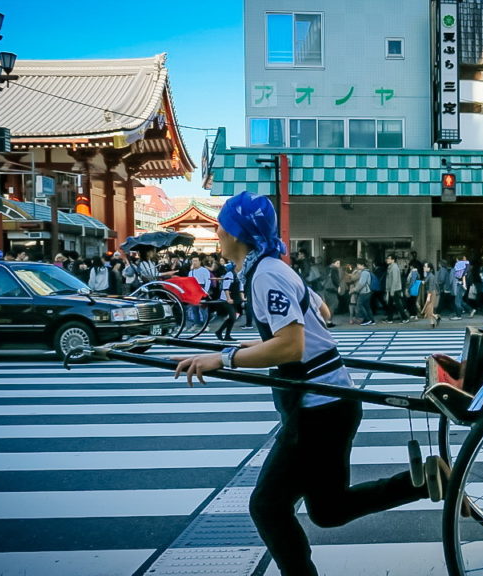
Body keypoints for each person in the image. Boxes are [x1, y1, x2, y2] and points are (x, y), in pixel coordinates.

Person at [171, 192, 443, 575]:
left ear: (237, 232)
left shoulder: (265, 274)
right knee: (330, 510)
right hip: (329, 406)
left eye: (222, 224)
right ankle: (424, 481)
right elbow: (321, 311)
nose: (217, 231)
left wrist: (223, 358)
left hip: (317, 411)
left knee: (267, 505)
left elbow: (291, 344)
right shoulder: (272, 268)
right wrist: (242, 348)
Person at [384, 253, 409, 323]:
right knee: (390, 304)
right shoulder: (390, 267)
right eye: (387, 258)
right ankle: (390, 319)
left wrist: (391, 291)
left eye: (389, 258)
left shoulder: (394, 267)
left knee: (397, 304)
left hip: (394, 289)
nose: (387, 260)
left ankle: (404, 318)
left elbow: (395, 280)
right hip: (392, 289)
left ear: (393, 260)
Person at [353, 259, 375, 326]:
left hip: (364, 292)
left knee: (359, 306)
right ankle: (372, 320)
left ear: (362, 265)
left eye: (358, 265)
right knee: (367, 306)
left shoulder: (364, 273)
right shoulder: (366, 272)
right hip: (367, 291)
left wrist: (355, 289)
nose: (357, 266)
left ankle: (367, 319)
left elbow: (361, 283)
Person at [420, 261, 441, 328]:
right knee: (429, 309)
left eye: (425, 266)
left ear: (429, 268)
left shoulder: (431, 276)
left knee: (428, 309)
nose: (424, 267)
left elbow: (431, 287)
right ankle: (433, 320)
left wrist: (428, 296)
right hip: (430, 293)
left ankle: (436, 318)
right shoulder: (428, 275)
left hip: (431, 293)